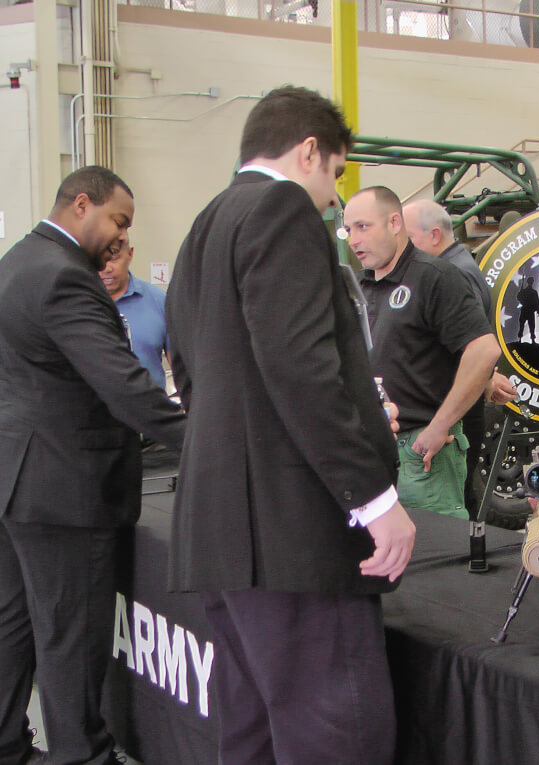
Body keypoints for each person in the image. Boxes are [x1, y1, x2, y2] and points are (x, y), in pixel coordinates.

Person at [165, 86, 416, 765]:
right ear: (308, 151)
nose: (335, 199)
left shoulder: (204, 226)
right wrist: (375, 500)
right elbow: (301, 370)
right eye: (335, 172)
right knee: (337, 737)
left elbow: (191, 374)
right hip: (293, 539)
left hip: (225, 535)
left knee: (252, 735)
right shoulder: (281, 211)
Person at [0, 166, 186, 765]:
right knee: (72, 637)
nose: (121, 237)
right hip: (65, 491)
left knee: (14, 626)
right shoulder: (64, 277)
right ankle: (82, 756)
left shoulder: (15, 263)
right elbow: (124, 385)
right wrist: (204, 444)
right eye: (118, 220)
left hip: (16, 482)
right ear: (82, 204)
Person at [349, 186, 501, 520]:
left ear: (394, 223)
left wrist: (440, 425)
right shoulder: (360, 286)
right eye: (348, 230)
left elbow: (483, 350)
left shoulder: (436, 276)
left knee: (435, 550)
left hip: (422, 454)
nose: (354, 240)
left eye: (363, 227)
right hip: (372, 453)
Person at [402, 199, 516, 520]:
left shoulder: (452, 275)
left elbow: (472, 348)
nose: (402, 249)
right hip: (459, 414)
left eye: (408, 238)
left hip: (454, 419)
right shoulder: (459, 266)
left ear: (435, 235)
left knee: (449, 516)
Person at [98, 238, 170, 389]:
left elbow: (182, 369)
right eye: (98, 258)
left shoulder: (161, 302)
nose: (106, 268)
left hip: (149, 402)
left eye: (114, 257)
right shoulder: (74, 304)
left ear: (130, 254)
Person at [516, 275, 539, 343]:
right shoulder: (527, 291)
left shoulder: (533, 292)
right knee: (522, 325)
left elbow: (536, 301)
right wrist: (521, 293)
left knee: (531, 326)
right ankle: (520, 339)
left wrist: (537, 309)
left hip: (529, 310)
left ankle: (532, 339)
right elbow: (519, 297)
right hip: (526, 310)